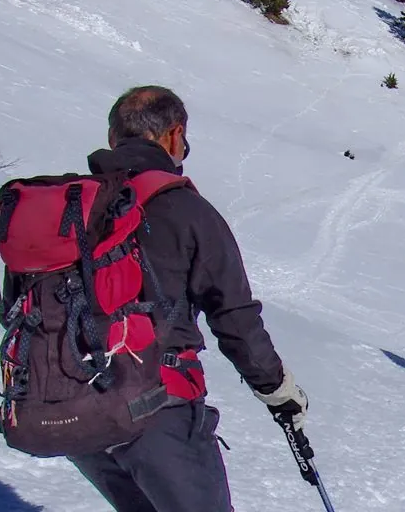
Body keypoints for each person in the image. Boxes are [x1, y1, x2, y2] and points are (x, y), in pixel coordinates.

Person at [68, 86, 309, 512]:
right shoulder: (185, 210)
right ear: (175, 135)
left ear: (112, 137)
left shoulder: (72, 204)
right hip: (155, 405)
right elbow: (234, 317)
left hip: (75, 406)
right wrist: (277, 389)